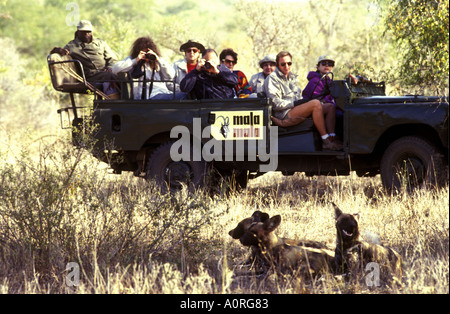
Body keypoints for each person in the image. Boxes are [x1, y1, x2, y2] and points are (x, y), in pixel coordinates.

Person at [264, 51, 342, 151]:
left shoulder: (291, 77)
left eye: (289, 63)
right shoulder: (272, 78)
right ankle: (325, 141)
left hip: (294, 108)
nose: (286, 66)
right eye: (283, 64)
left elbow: (298, 97)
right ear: (278, 65)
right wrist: (294, 103)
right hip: (283, 113)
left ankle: (332, 138)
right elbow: (275, 103)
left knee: (329, 107)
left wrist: (302, 101)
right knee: (315, 104)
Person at [50, 20, 119, 95]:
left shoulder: (101, 43)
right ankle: (125, 100)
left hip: (105, 72)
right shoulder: (72, 46)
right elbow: (55, 54)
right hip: (91, 76)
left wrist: (109, 67)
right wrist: (58, 50)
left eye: (88, 32)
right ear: (78, 32)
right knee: (110, 76)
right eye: (83, 32)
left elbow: (112, 59)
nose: (86, 34)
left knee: (123, 74)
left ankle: (125, 97)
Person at [112, 36, 185, 100]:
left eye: (147, 52)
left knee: (186, 95)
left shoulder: (158, 62)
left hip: (163, 93)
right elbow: (115, 69)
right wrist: (136, 60)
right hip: (149, 97)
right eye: (143, 52)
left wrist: (158, 60)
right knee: (184, 96)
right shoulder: (132, 60)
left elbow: (171, 75)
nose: (146, 55)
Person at [301, 55, 340, 142]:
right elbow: (316, 98)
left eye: (330, 64)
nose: (326, 66)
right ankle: (330, 137)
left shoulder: (329, 81)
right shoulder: (314, 81)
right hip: (311, 107)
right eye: (323, 63)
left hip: (322, 105)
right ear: (318, 67)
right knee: (331, 107)